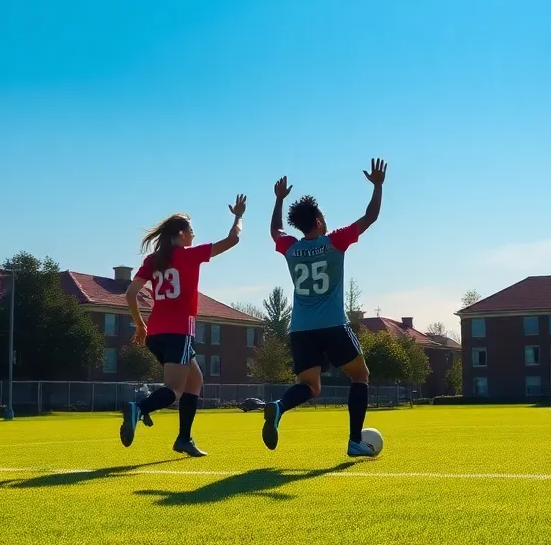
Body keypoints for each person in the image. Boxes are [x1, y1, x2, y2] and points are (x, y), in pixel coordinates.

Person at [262, 159, 386, 457]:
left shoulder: (290, 247)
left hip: (300, 329)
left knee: (310, 385)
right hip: (332, 325)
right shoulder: (335, 242)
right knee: (360, 376)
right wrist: (378, 186)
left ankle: (280, 407)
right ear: (318, 221)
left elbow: (275, 230)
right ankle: (355, 441)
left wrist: (278, 199)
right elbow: (370, 216)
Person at [119, 195, 247, 456]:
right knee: (175, 389)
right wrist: (238, 216)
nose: (194, 233)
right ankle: (139, 409)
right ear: (180, 233)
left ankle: (184, 439)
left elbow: (130, 294)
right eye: (191, 229)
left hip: (155, 332)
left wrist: (140, 326)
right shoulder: (189, 256)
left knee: (195, 380)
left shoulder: (152, 261)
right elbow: (233, 239)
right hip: (179, 332)